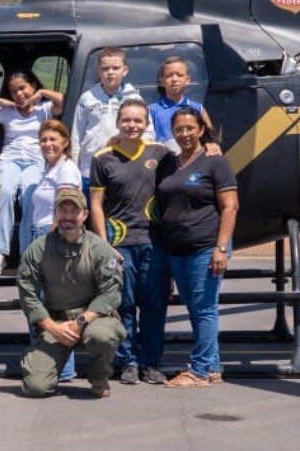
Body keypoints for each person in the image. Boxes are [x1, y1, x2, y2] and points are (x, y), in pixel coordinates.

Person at [88, 99, 172, 385]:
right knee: (123, 305)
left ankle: (151, 362)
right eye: (127, 120)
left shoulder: (161, 155)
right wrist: (103, 244)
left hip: (153, 242)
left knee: (154, 304)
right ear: (118, 122)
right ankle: (128, 362)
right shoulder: (102, 158)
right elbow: (96, 205)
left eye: (138, 121)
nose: (132, 125)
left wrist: (212, 145)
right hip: (119, 244)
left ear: (147, 124)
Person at [154, 108, 239, 388]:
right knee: (195, 308)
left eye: (190, 128)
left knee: (204, 309)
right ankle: (213, 366)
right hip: (176, 249)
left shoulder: (215, 162)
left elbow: (230, 206)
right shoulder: (168, 162)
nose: (185, 133)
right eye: (179, 129)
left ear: (201, 129)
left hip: (205, 247)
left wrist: (220, 248)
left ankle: (199, 370)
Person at [15, 187, 125, 398]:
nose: (68, 217)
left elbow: (111, 292)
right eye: (62, 210)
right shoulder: (38, 249)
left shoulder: (99, 247)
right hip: (57, 322)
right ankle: (40, 364)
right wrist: (50, 326)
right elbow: (27, 291)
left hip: (93, 320)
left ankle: (100, 376)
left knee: (101, 336)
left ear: (84, 215)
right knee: (36, 387)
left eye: (73, 211)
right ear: (55, 213)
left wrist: (82, 320)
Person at [0, 70, 63, 275]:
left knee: (31, 195)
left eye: (23, 88)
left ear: (32, 87)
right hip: (9, 159)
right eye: (14, 91)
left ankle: (28, 252)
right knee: (4, 191)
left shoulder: (43, 109)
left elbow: (63, 102)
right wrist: (2, 101)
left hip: (36, 161)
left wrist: (43, 93)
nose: (19, 94)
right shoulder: (7, 112)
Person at [26, 119, 84, 381]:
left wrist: (50, 246)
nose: (47, 144)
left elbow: (66, 212)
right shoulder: (48, 169)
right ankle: (47, 365)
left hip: (51, 239)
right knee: (43, 306)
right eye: (43, 140)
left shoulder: (67, 170)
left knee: (54, 308)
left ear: (65, 143)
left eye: (53, 139)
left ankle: (61, 369)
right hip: (39, 236)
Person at [70, 47, 152, 190]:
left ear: (125, 70)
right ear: (98, 71)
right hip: (89, 168)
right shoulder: (87, 98)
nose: (110, 73)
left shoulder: (134, 98)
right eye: (105, 68)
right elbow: (76, 136)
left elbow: (149, 133)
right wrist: (73, 168)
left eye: (115, 68)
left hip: (124, 167)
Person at [148, 56, 216, 153]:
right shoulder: (152, 110)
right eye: (169, 75)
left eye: (179, 75)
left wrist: (212, 145)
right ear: (162, 81)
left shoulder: (198, 109)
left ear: (187, 80)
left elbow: (210, 139)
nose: (174, 79)